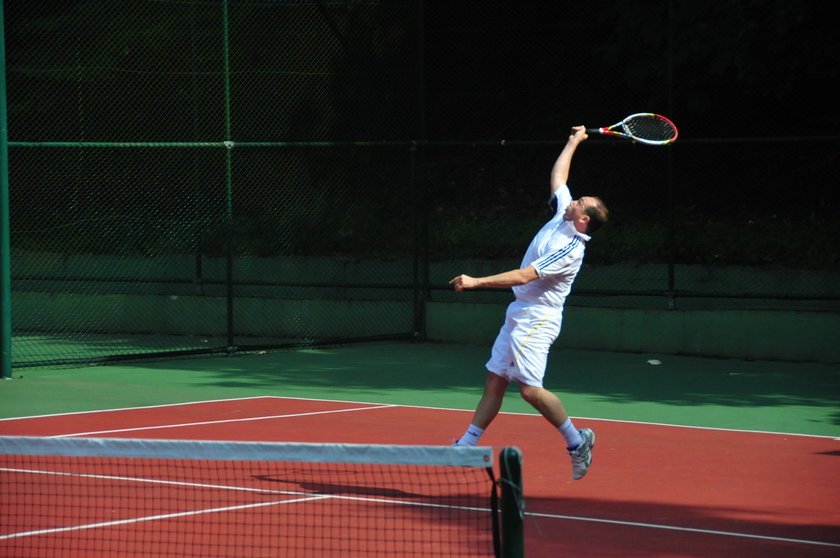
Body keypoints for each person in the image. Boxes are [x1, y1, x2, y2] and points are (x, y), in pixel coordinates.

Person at [449, 126, 608, 480]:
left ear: (584, 220)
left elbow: (524, 276)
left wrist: (476, 281)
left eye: (579, 203)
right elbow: (558, 178)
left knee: (530, 391)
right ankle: (466, 446)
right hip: (519, 313)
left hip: (538, 318)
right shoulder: (562, 215)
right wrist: (573, 141)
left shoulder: (569, 248)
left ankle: (577, 441)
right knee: (495, 381)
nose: (572, 200)